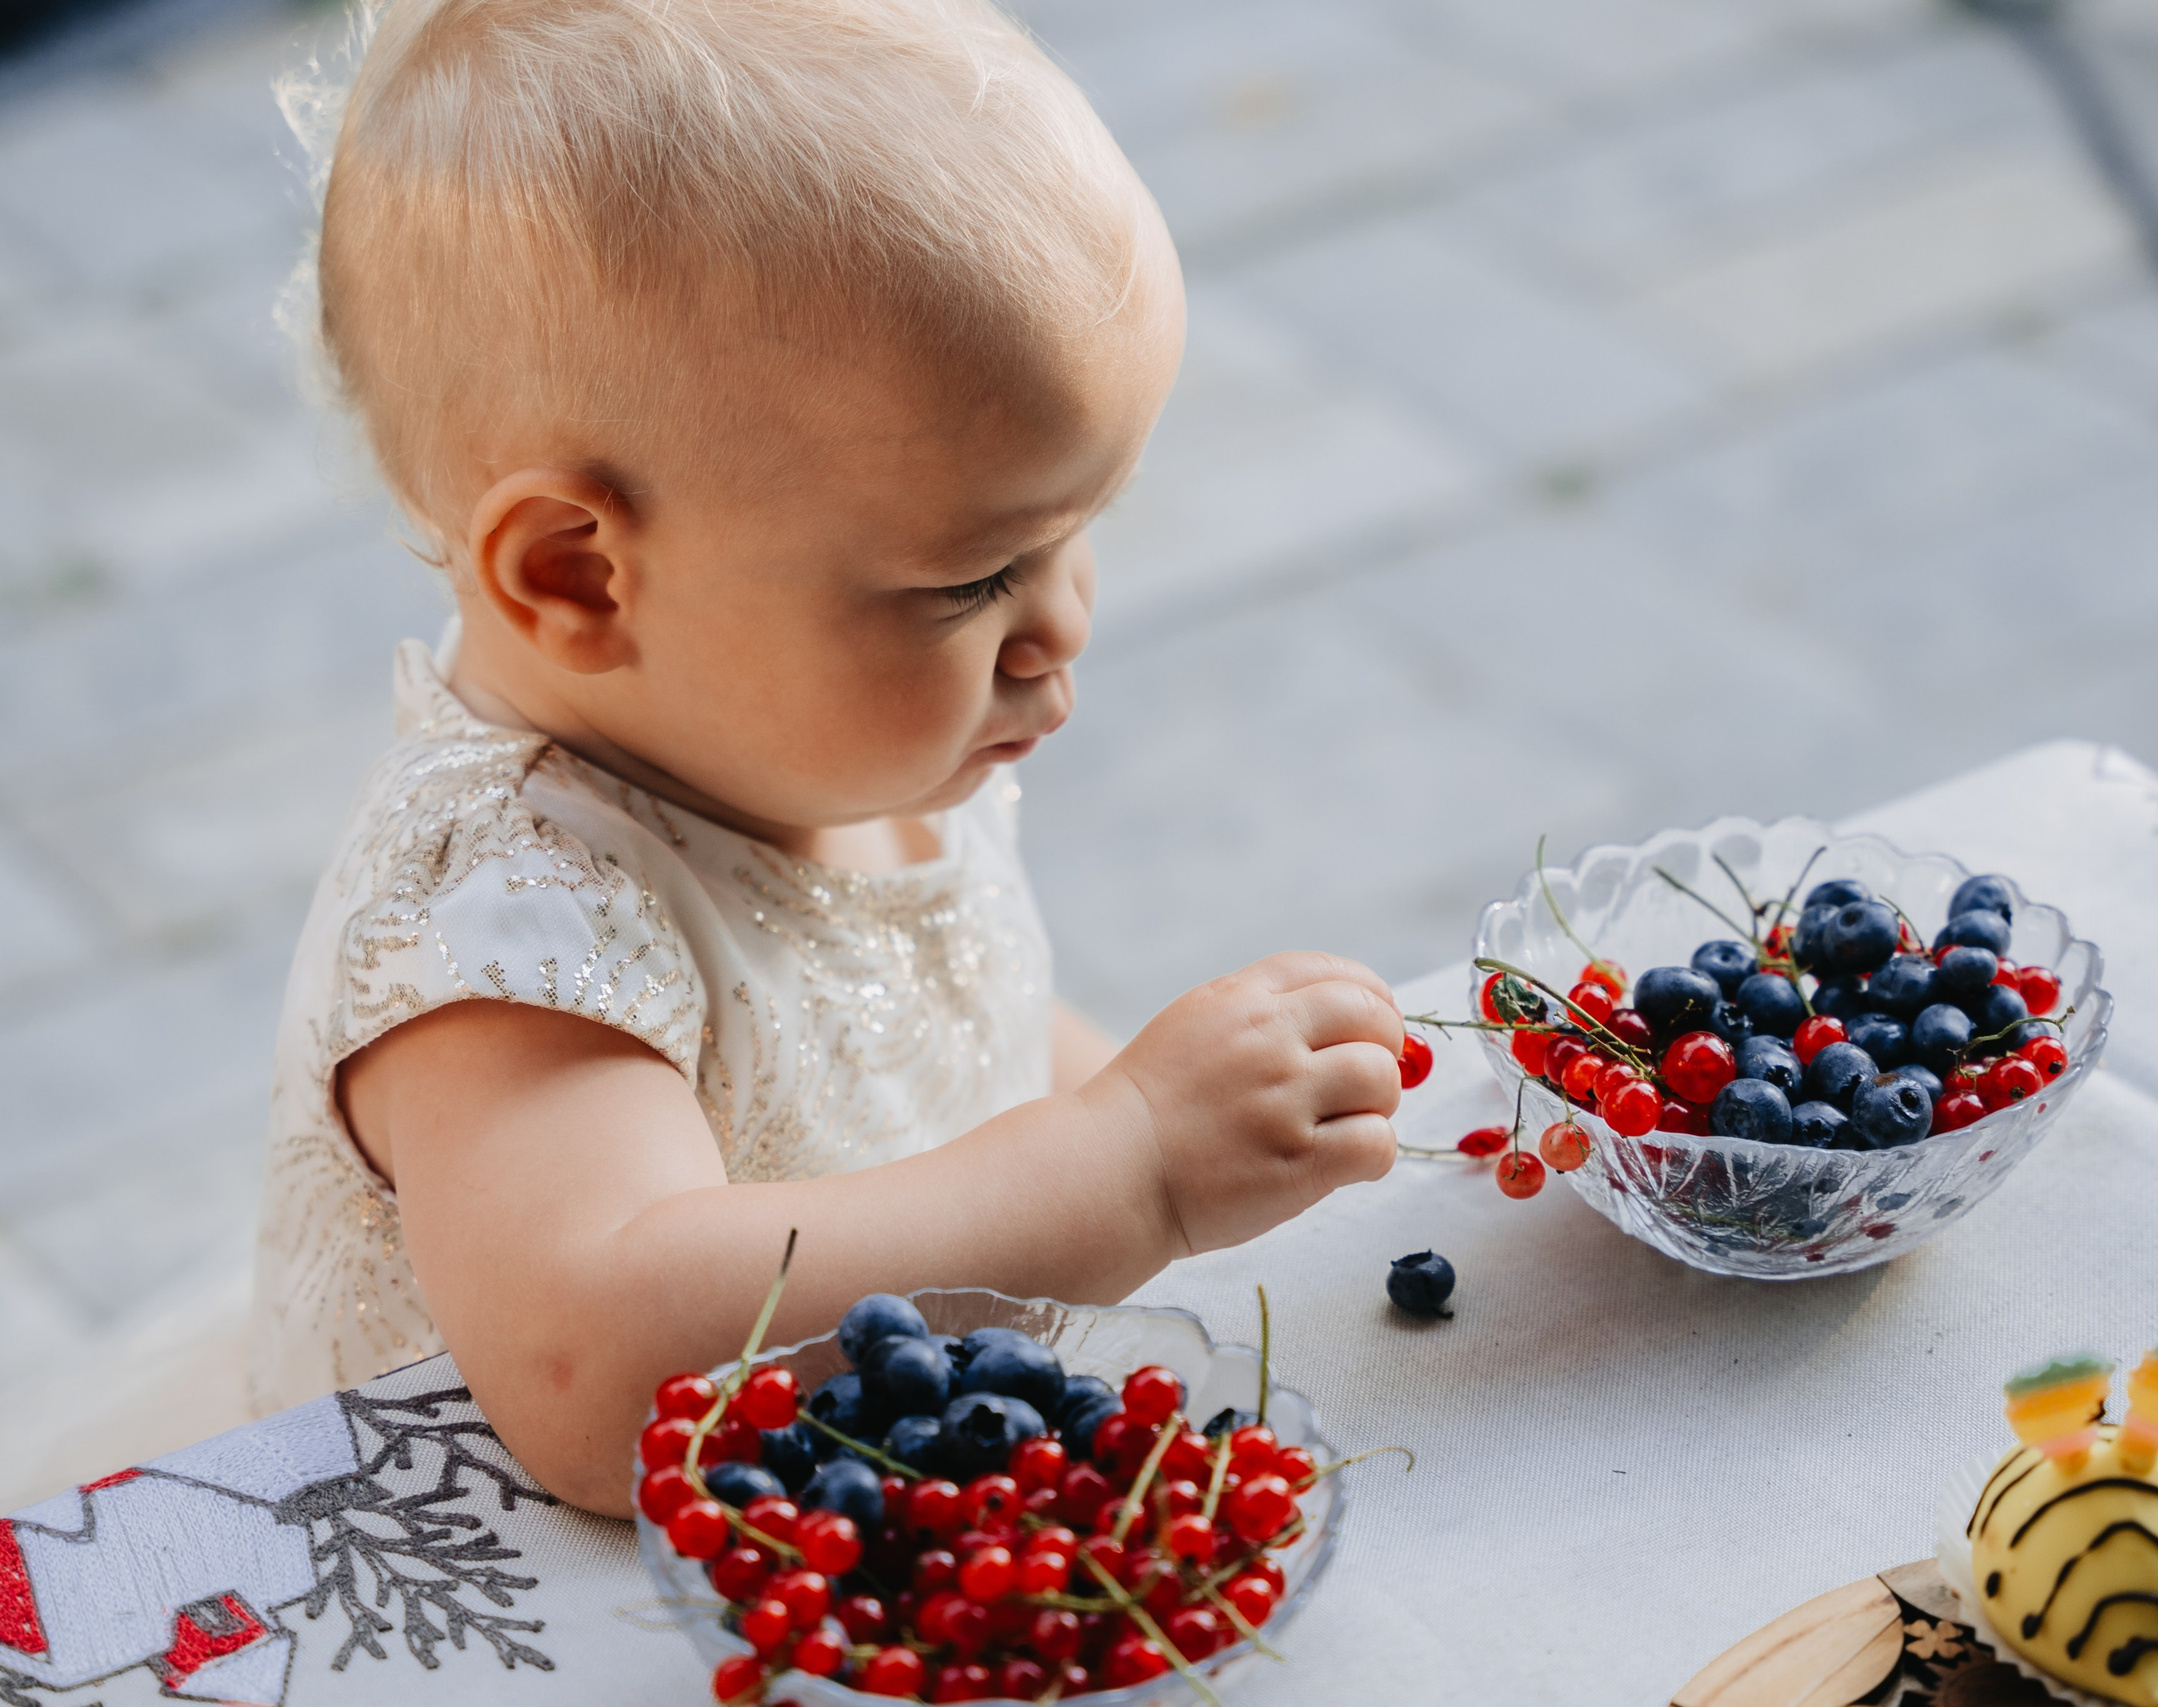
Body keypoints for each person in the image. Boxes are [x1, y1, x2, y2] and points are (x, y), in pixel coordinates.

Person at [252, 0, 1407, 1515]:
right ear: (580, 578)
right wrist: (1127, 1169)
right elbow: (596, 1380)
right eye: (971, 579)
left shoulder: (819, 743)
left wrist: (1156, 1102)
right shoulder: (506, 931)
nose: (1060, 624)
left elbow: (935, 1017)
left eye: (1078, 534)